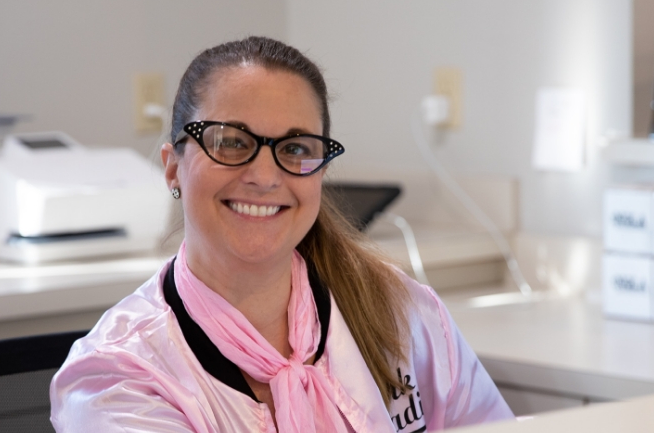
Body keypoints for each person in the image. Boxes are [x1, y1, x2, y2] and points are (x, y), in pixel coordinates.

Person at [50, 36, 514, 432]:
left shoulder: (405, 317)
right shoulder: (115, 378)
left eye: (294, 148)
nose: (265, 175)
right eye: (231, 141)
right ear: (173, 167)